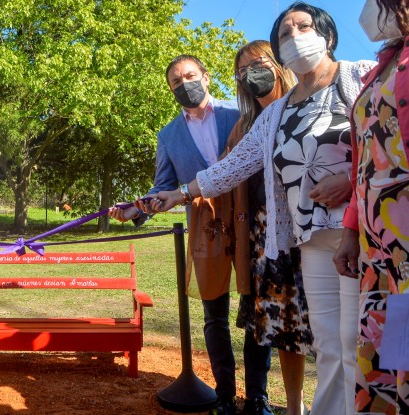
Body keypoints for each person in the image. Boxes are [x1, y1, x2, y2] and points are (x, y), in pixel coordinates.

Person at [148, 3, 375, 415]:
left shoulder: (356, 77)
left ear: (327, 34)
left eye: (302, 27)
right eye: (285, 33)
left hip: (358, 232)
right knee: (327, 345)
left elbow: (385, 137)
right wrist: (177, 194)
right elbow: (227, 170)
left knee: (357, 342)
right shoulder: (274, 114)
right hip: (305, 241)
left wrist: (353, 181)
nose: (295, 37)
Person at [110, 54, 268, 415]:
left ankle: (257, 398)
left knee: (257, 309)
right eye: (176, 82)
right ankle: (225, 395)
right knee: (215, 315)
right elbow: (163, 187)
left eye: (190, 76)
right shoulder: (168, 135)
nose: (184, 84)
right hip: (206, 227)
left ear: (206, 77)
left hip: (251, 221)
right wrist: (135, 209)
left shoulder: (241, 114)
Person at [228, 40, 312, 415]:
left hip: (309, 233)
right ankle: (276, 404)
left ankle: (313, 405)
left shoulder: (303, 107)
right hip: (263, 240)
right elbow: (221, 175)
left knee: (316, 327)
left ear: (278, 65)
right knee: (275, 329)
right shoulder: (243, 127)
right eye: (242, 71)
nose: (250, 75)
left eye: (257, 64)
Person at [333, 0, 409, 413]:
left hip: (407, 240)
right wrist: (350, 230)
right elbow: (364, 158)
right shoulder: (384, 64)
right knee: (392, 355)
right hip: (379, 247)